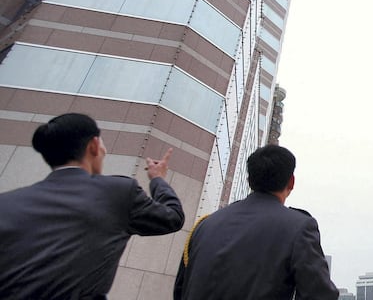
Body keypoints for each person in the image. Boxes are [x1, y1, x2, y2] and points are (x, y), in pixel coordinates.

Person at [0, 113, 184, 299]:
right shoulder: (118, 192)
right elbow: (173, 217)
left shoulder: (6, 204)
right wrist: (158, 179)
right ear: (94, 146)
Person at [174, 145, 338, 300]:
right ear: (291, 182)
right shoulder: (299, 227)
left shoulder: (205, 224)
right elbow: (320, 295)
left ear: (249, 180)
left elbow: (181, 289)